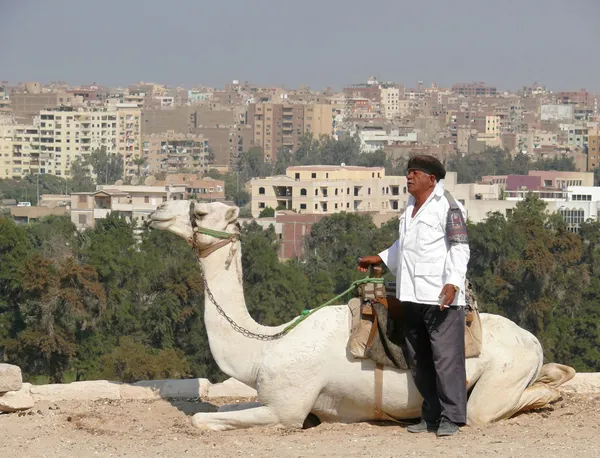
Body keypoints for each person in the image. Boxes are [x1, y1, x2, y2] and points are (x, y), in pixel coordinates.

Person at [358, 155, 470, 437]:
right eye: (408, 172)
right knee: (418, 359)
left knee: (446, 359)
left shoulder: (448, 206)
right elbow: (404, 246)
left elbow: (460, 248)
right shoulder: (409, 207)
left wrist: (453, 283)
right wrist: (381, 259)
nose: (409, 177)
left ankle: (453, 416)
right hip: (411, 295)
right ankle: (431, 414)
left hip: (440, 297)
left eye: (415, 173)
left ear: (431, 179)